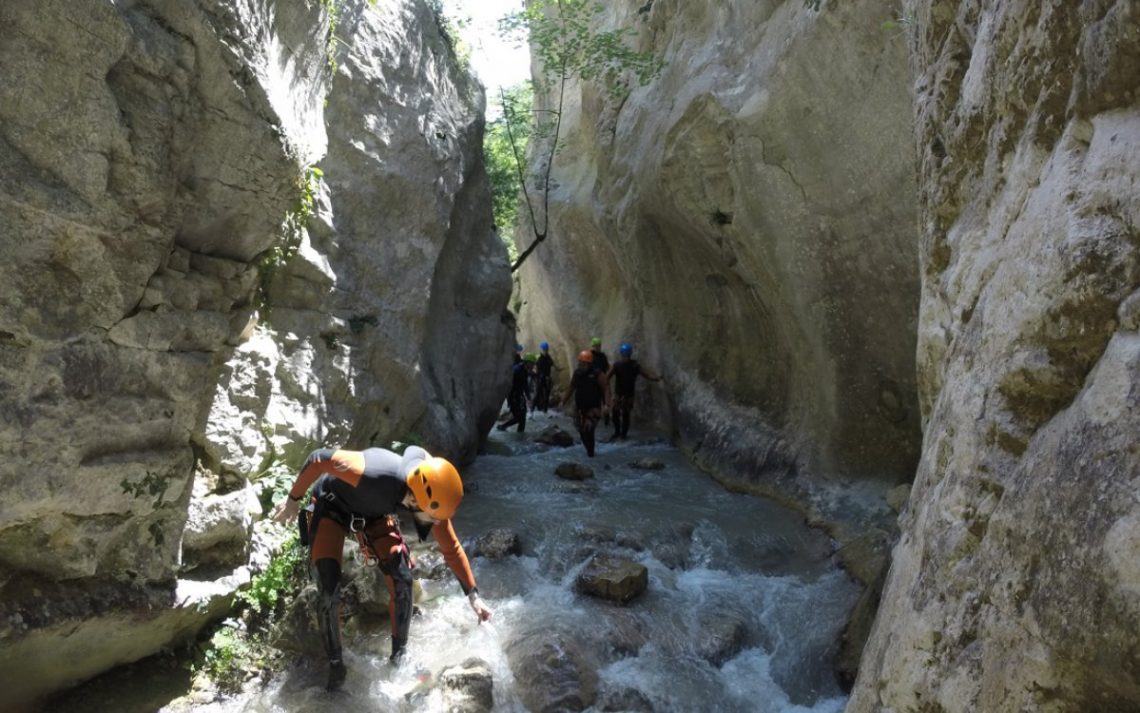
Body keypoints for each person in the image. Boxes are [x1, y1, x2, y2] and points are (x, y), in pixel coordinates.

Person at [272, 446, 492, 690]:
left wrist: (474, 596)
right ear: (414, 498)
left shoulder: (429, 496)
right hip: (330, 505)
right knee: (329, 589)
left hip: (373, 514)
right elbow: (318, 458)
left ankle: (399, 657)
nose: (436, 523)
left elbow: (451, 548)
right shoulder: (373, 472)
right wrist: (293, 500)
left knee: (403, 580)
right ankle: (336, 666)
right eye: (433, 518)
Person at [607, 342, 662, 440]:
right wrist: (656, 378)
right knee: (617, 413)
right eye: (625, 355)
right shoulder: (623, 365)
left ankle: (622, 434)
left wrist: (656, 378)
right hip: (620, 394)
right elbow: (607, 377)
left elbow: (646, 375)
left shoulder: (632, 365)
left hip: (626, 394)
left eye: (626, 355)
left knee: (624, 414)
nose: (626, 357)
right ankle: (618, 432)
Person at [562, 350, 611, 457]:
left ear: (589, 363)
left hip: (593, 408)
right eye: (581, 362)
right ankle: (590, 452)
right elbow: (571, 387)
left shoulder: (597, 374)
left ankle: (591, 454)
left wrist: (607, 404)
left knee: (589, 430)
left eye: (585, 363)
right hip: (580, 408)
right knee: (582, 432)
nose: (582, 365)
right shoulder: (577, 373)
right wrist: (563, 401)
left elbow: (606, 388)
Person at [498, 351, 531, 433]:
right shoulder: (516, 370)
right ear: (527, 363)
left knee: (523, 417)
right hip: (513, 396)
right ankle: (502, 426)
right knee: (518, 417)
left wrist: (529, 397)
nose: (533, 365)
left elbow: (525, 385)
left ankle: (520, 435)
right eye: (532, 363)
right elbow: (507, 382)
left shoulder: (525, 371)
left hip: (520, 396)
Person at [589, 337, 611, 426]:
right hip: (593, 381)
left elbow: (606, 367)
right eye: (596, 346)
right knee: (595, 400)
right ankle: (595, 417)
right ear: (593, 346)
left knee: (605, 399)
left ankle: (606, 418)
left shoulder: (602, 356)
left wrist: (606, 376)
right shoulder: (590, 355)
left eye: (599, 346)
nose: (597, 348)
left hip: (602, 380)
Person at [533, 341, 557, 412]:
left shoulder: (549, 357)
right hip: (540, 378)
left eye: (546, 349)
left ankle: (545, 410)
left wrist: (559, 369)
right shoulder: (538, 358)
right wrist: (536, 376)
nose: (546, 351)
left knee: (547, 395)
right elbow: (535, 367)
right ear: (541, 349)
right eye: (544, 349)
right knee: (537, 394)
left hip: (547, 378)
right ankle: (532, 410)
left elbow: (553, 364)